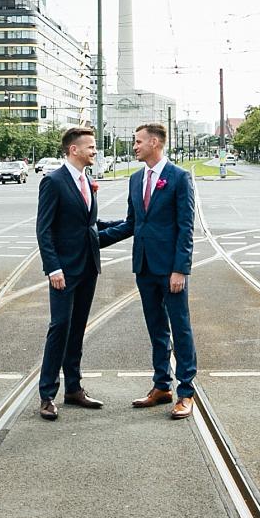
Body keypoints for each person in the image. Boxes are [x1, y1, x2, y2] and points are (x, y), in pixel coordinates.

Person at [99, 121, 198, 420]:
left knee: (180, 329)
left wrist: (180, 269)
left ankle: (186, 392)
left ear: (155, 142)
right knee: (156, 329)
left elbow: (186, 228)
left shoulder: (179, 178)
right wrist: (92, 238)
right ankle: (161, 386)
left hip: (170, 270)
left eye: (138, 141)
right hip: (143, 266)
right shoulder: (135, 179)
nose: (135, 145)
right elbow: (132, 224)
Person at [35, 126, 106, 420]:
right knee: (59, 328)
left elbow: (89, 225)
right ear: (73, 149)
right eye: (90, 147)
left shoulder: (86, 180)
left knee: (77, 330)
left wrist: (133, 224)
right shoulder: (53, 181)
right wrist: (53, 267)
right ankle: (47, 394)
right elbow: (44, 230)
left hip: (87, 266)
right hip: (63, 270)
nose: (94, 151)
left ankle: (74, 389)